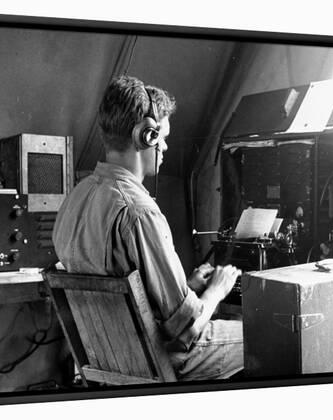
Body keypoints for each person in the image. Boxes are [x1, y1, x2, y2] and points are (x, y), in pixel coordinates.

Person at [53, 75, 243, 381]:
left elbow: (125, 289)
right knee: (266, 337)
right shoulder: (140, 213)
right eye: (163, 137)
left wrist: (189, 286)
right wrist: (217, 291)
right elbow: (187, 331)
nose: (165, 147)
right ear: (146, 136)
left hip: (110, 360)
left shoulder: (75, 197)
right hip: (161, 362)